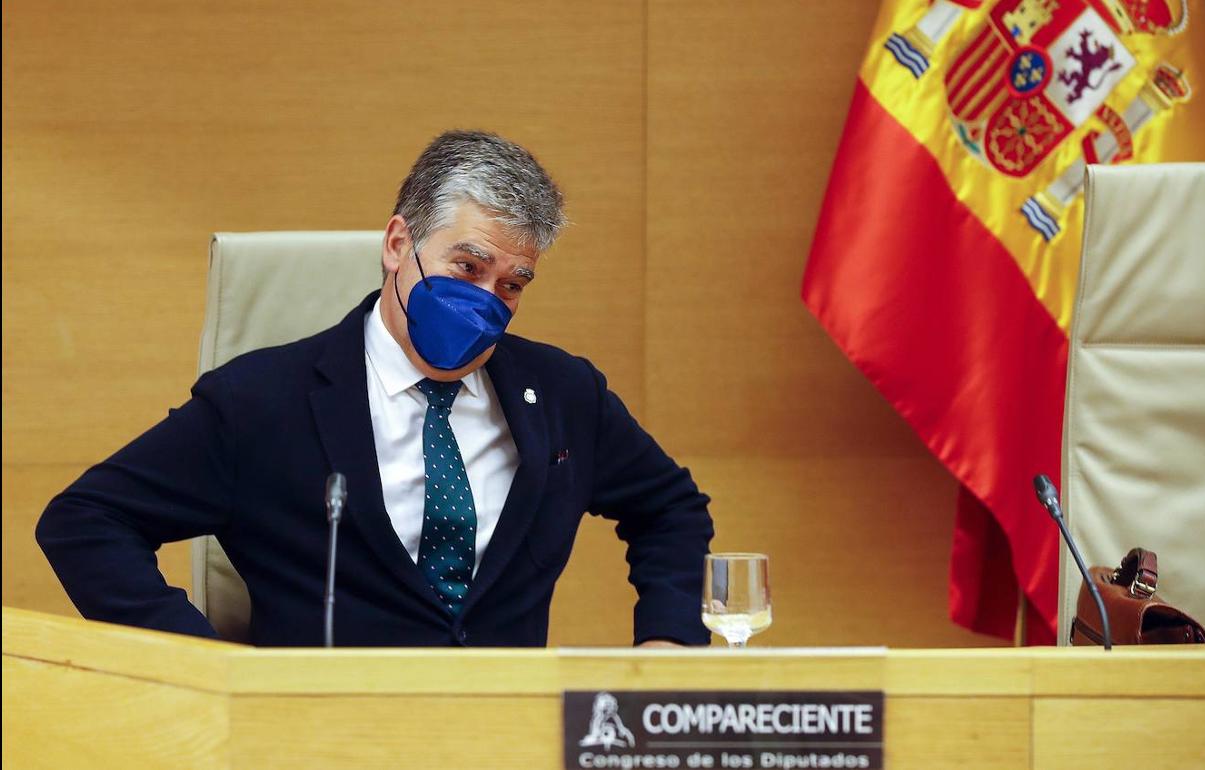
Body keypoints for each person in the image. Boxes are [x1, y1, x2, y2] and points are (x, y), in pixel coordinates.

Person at [36, 130, 714, 648]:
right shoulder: (261, 403)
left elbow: (670, 507)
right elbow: (85, 521)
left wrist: (668, 640)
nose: (487, 300)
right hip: (322, 742)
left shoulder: (564, 394)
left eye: (512, 284)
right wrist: (204, 667)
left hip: (505, 736)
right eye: (467, 266)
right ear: (398, 244)